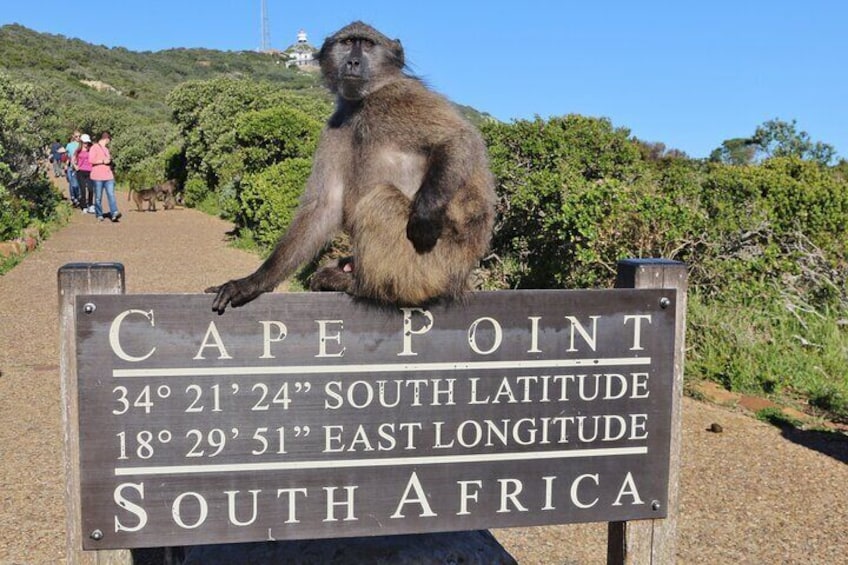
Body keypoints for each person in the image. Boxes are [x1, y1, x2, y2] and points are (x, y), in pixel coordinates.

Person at [89, 131, 122, 222]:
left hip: (108, 176)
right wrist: (103, 161)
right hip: (97, 176)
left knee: (111, 194)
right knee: (98, 197)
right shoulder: (94, 147)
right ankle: (99, 214)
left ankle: (114, 212)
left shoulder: (106, 150)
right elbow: (91, 160)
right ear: (106, 139)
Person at [74, 134, 95, 213]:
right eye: (85, 143)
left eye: (87, 143)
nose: (86, 144)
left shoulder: (91, 150)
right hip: (80, 171)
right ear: (82, 142)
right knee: (82, 189)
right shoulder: (78, 150)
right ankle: (84, 206)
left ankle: (90, 205)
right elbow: (73, 159)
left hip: (90, 171)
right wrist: (75, 166)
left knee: (90, 189)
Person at [65, 132, 81, 206]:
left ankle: (79, 197)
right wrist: (66, 164)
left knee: (78, 183)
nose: (78, 137)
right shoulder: (69, 145)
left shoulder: (82, 145)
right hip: (71, 167)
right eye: (76, 136)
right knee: (72, 183)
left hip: (79, 167)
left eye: (79, 136)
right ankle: (73, 197)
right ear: (73, 137)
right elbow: (67, 156)